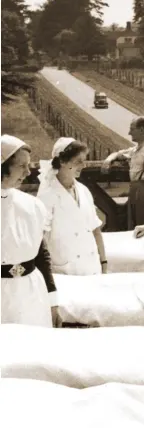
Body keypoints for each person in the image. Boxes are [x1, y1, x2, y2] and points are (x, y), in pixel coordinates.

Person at [1, 135, 60, 327]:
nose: (28, 172)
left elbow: (42, 256)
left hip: (31, 294)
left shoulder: (32, 206)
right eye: (22, 166)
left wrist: (53, 301)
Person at [37, 138, 107, 275]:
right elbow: (40, 240)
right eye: (78, 161)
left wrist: (104, 262)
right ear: (62, 161)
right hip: (65, 273)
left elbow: (95, 230)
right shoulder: (47, 195)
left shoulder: (83, 190)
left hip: (92, 268)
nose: (84, 165)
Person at [101, 117, 144, 227]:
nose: (129, 132)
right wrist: (108, 160)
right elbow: (118, 154)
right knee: (133, 226)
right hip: (134, 191)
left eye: (132, 129)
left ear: (141, 130)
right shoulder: (134, 150)